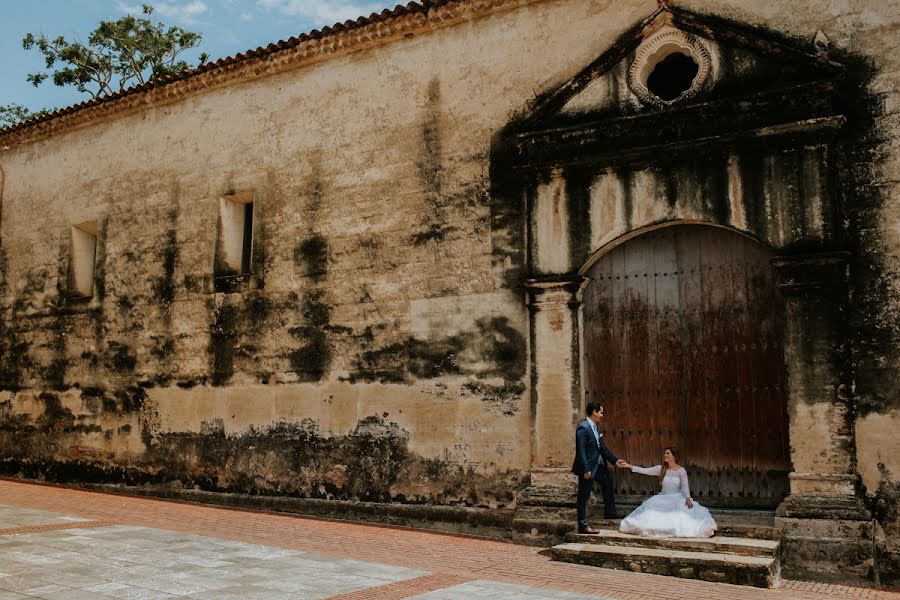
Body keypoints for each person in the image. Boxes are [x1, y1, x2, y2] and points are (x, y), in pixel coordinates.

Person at [617, 447, 717, 538]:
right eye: (665, 453)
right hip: (662, 497)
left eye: (668, 453)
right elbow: (644, 470)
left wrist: (688, 499)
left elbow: (685, 487)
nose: (665, 455)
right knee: (650, 507)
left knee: (683, 515)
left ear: (674, 456)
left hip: (676, 497)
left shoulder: (681, 471)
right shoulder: (661, 469)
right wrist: (629, 466)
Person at [572, 402, 627, 534]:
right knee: (583, 497)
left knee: (607, 483)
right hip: (588, 468)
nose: (602, 415)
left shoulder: (595, 427)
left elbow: (601, 447)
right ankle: (583, 526)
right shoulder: (583, 428)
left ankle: (610, 512)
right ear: (594, 412)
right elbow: (581, 451)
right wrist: (585, 469)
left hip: (598, 466)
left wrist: (614, 460)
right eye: (601, 412)